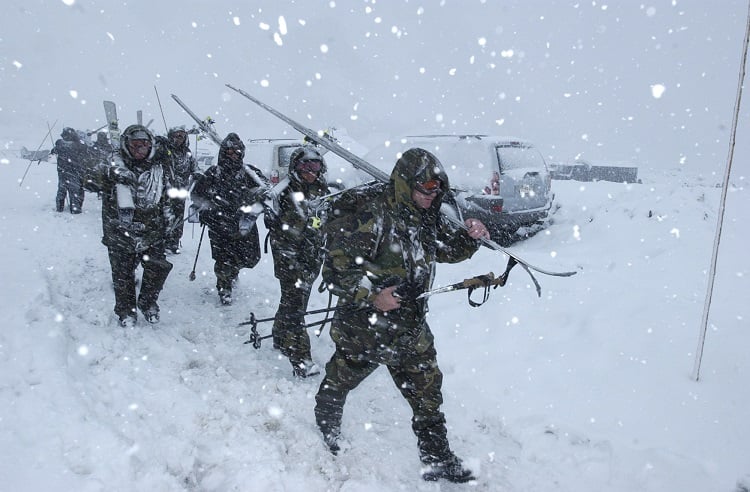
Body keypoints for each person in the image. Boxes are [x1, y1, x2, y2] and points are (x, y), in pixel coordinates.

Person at [314, 148, 490, 483]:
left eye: (437, 189)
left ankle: (436, 458)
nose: (431, 195)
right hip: (366, 327)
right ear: (407, 184)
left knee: (427, 391)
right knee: (341, 379)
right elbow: (337, 272)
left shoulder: (423, 217)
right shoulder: (371, 216)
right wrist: (372, 296)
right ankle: (327, 425)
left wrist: (470, 239)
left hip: (410, 327)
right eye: (425, 188)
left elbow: (444, 252)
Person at [85, 124, 175, 327]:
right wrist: (108, 174)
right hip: (119, 228)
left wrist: (169, 220)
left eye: (144, 144)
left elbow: (169, 195)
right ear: (127, 144)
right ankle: (126, 311)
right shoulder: (112, 162)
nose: (140, 148)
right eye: (135, 144)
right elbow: (88, 180)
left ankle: (148, 302)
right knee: (122, 274)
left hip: (152, 229)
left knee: (157, 268)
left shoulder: (160, 166)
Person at [265, 146, 330, 378]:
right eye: (305, 166)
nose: (311, 171)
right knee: (295, 305)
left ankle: (280, 336)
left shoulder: (322, 190)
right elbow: (280, 226)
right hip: (288, 255)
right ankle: (301, 359)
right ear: (295, 167)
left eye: (315, 166)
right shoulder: (284, 191)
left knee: (295, 301)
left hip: (312, 257)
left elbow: (323, 221)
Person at [191, 133, 267, 306]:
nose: (233, 155)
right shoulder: (213, 173)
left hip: (244, 223)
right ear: (223, 153)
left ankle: (233, 272)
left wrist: (256, 196)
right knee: (223, 257)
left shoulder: (250, 172)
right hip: (219, 222)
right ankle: (224, 287)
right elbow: (196, 195)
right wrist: (208, 204)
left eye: (236, 152)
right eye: (229, 152)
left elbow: (266, 190)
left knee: (250, 258)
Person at [164, 126, 199, 254]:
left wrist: (197, 175)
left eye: (182, 136)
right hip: (165, 190)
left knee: (178, 216)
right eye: (176, 136)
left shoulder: (188, 153)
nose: (179, 139)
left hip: (181, 191)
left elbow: (195, 168)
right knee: (165, 215)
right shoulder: (165, 150)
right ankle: (162, 241)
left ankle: (174, 241)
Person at [50, 127, 89, 213]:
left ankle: (59, 208)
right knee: (74, 191)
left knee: (61, 190)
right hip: (74, 171)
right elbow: (86, 151)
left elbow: (53, 151)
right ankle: (75, 209)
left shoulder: (59, 144)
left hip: (62, 171)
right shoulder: (79, 145)